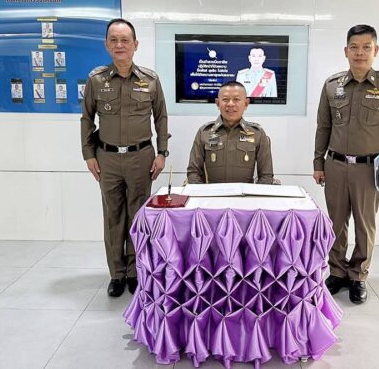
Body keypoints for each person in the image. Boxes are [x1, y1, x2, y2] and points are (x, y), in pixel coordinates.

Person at [313, 24, 379, 304]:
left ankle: (359, 275)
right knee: (336, 223)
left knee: (365, 224)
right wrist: (318, 163)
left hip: (369, 168)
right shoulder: (332, 85)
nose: (360, 53)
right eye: (354, 47)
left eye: (366, 47)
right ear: (346, 51)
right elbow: (323, 126)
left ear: (375, 50)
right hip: (336, 165)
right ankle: (337, 271)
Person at [81, 18, 169, 297]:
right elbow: (87, 119)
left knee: (138, 216)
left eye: (125, 40)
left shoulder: (150, 80)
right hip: (107, 158)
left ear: (135, 45)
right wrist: (88, 155)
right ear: (107, 45)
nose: (120, 45)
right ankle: (117, 274)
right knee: (113, 217)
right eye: (114, 40)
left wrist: (162, 153)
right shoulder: (96, 80)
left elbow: (161, 117)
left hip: (141, 157)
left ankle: (135, 272)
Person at [187, 81, 273, 184]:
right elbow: (193, 172)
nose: (230, 104)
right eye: (225, 100)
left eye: (236, 99)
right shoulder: (204, 132)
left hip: (245, 193)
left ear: (246, 103)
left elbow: (266, 176)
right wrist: (202, 192)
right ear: (218, 103)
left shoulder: (257, 133)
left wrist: (253, 194)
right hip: (213, 193)